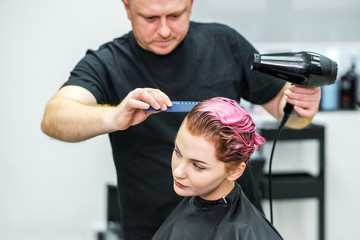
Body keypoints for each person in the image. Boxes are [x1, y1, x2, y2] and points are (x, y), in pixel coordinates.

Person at [41, 0, 321, 239]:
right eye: (150, 18)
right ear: (127, 7)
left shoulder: (225, 43)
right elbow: (54, 117)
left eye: (175, 16)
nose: (164, 30)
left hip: (232, 221)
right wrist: (114, 115)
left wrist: (301, 108)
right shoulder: (107, 63)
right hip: (153, 227)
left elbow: (288, 114)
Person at [152, 97, 283, 240]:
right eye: (177, 152)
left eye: (197, 166)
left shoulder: (247, 233)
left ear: (235, 170)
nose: (178, 172)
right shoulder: (195, 199)